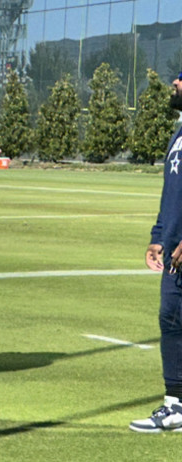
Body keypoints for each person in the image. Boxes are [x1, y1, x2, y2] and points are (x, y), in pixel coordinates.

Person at [130, 71, 182, 432]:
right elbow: (170, 194)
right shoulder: (179, 134)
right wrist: (158, 236)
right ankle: (175, 404)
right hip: (174, 254)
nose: (175, 84)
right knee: (171, 319)